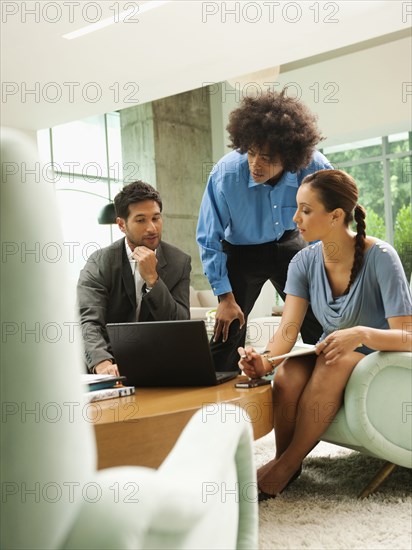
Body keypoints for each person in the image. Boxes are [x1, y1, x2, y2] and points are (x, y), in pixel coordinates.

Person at [238, 169, 412, 500]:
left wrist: (360, 333)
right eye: (296, 208)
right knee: (287, 373)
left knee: (335, 359)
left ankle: (286, 465)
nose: (295, 218)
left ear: (334, 216)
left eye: (305, 209)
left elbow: (407, 335)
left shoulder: (382, 258)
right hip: (333, 351)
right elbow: (287, 331)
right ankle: (285, 460)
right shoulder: (303, 262)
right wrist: (263, 361)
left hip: (377, 356)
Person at [196, 89, 333, 372]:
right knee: (228, 327)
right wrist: (224, 297)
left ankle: (321, 378)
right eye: (252, 153)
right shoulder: (225, 174)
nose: (256, 164)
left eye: (268, 158)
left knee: (316, 319)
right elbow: (209, 237)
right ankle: (220, 399)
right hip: (241, 252)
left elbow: (336, 212)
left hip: (290, 244)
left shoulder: (314, 166)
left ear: (291, 158)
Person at [77, 180, 191, 375]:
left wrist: (154, 281)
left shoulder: (179, 261)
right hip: (109, 363)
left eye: (156, 218)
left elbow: (180, 324)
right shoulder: (100, 262)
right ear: (121, 224)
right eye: (141, 220)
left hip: (158, 364)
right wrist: (102, 363)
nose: (152, 228)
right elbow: (89, 321)